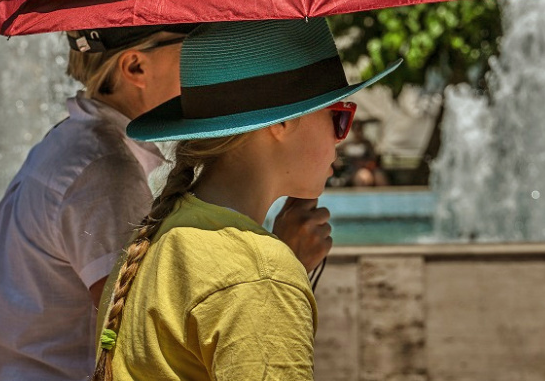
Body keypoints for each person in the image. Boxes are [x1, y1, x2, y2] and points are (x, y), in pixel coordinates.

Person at [0, 24, 334, 381]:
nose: (203, 60)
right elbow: (146, 322)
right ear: (135, 68)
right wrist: (281, 265)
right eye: (191, 45)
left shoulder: (76, 149)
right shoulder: (105, 171)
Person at [95, 19, 401, 380]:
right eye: (338, 116)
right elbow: (243, 289)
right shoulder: (256, 276)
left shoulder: (159, 237)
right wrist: (274, 273)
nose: (341, 139)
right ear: (282, 121)